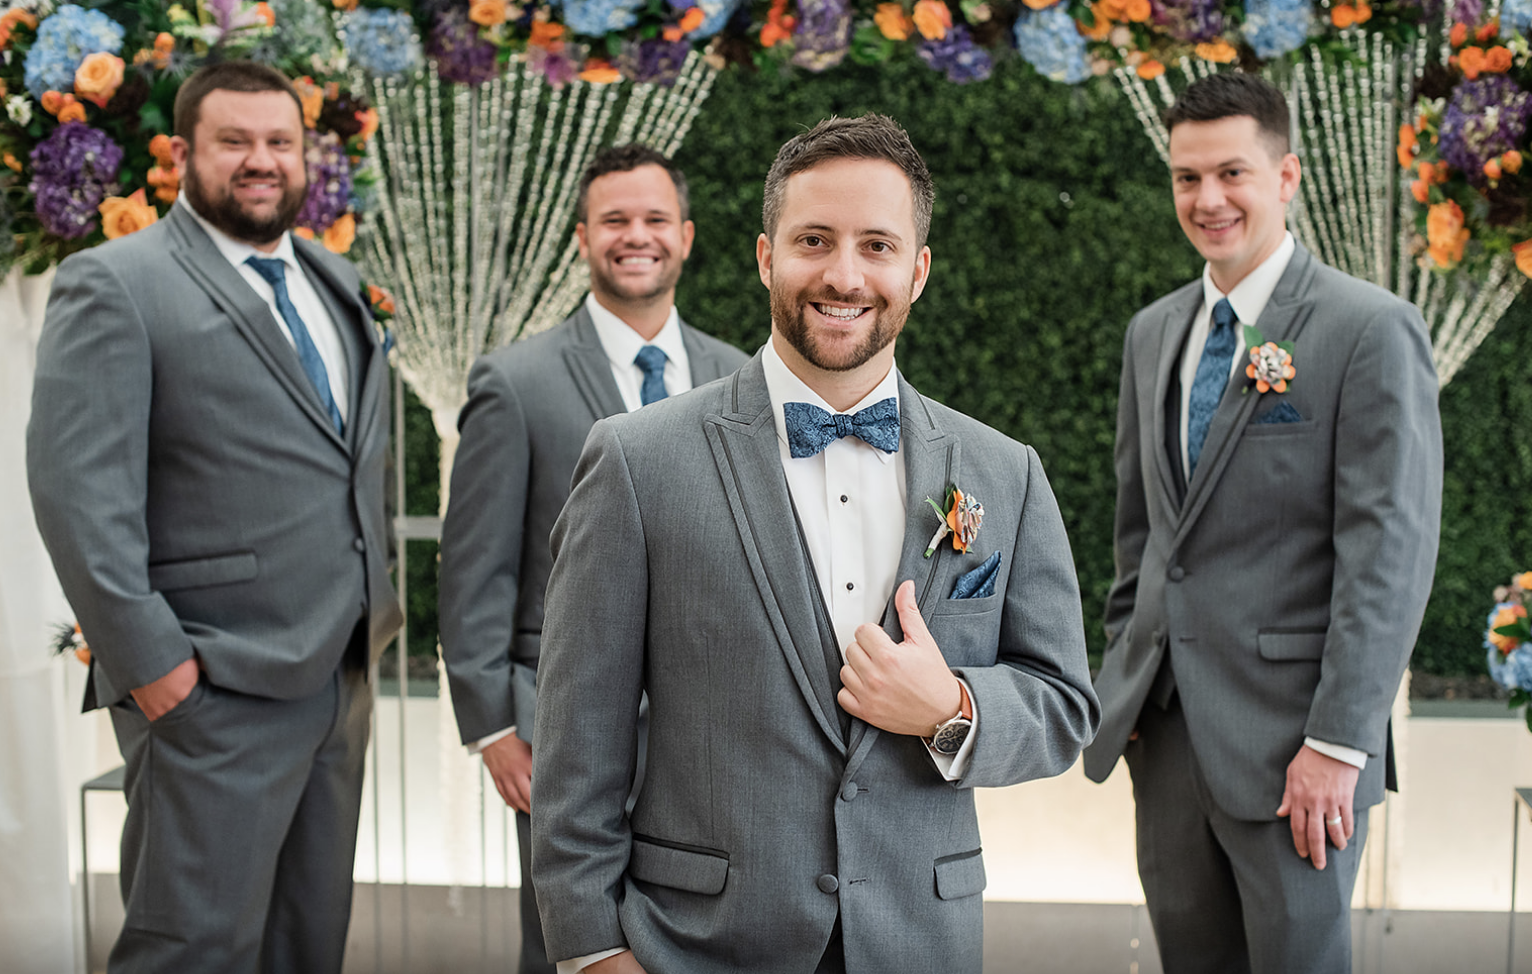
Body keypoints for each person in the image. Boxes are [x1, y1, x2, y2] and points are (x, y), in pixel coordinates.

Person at [529, 113, 1099, 974]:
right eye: (814, 240)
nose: (844, 274)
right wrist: (591, 951)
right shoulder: (636, 461)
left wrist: (951, 711)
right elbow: (579, 743)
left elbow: (1062, 705)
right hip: (696, 948)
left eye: (877, 245)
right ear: (766, 257)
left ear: (919, 270)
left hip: (920, 941)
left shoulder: (1004, 471)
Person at [27, 61, 402, 973]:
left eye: (279, 142)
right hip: (211, 685)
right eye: (234, 141)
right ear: (180, 154)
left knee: (306, 942)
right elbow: (77, 493)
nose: (261, 161)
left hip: (337, 681)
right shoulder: (115, 283)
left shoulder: (337, 280)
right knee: (191, 948)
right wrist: (155, 668)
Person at [1082, 73, 1443, 974]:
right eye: (1187, 177)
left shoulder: (1369, 329)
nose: (1207, 199)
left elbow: (1387, 555)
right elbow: (1145, 534)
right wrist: (1126, 675)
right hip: (1165, 741)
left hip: (1297, 755)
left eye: (1231, 173)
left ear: (1285, 177)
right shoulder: (1152, 333)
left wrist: (1336, 743)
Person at [438, 143, 748, 973]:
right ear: (583, 237)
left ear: (685, 236)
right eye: (615, 220)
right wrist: (496, 729)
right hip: (561, 730)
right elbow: (474, 569)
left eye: (654, 220)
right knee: (569, 944)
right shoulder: (514, 382)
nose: (634, 236)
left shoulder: (744, 377)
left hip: (713, 733)